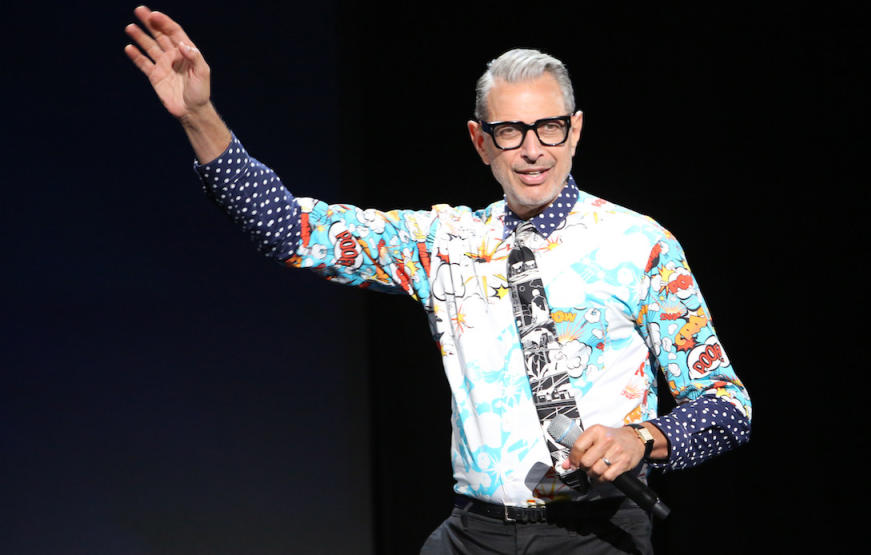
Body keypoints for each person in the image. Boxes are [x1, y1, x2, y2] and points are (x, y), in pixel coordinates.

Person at [125, 6, 752, 554]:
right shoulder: (443, 244)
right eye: (511, 131)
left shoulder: (640, 245)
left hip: (597, 532)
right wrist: (200, 117)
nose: (533, 149)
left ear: (576, 129)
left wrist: (645, 437)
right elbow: (292, 230)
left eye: (549, 128)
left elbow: (728, 407)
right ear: (482, 143)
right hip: (475, 533)